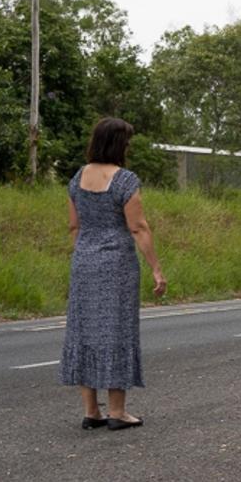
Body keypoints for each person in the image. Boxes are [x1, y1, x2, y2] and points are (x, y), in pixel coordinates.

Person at [61, 117, 166, 431]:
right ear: (118, 144)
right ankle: (117, 412)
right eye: (127, 142)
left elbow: (73, 226)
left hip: (84, 263)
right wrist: (156, 269)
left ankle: (91, 411)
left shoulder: (78, 177)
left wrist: (85, 255)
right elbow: (138, 227)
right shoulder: (125, 180)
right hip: (116, 264)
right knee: (116, 331)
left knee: (85, 331)